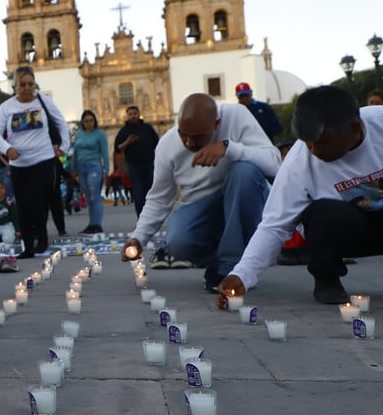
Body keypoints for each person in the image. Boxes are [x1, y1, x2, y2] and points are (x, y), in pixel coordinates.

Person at [217, 86, 383, 306]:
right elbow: (274, 225)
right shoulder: (299, 161)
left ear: (355, 128)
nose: (314, 150)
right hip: (347, 232)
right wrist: (241, 275)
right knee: (325, 212)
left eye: (323, 142)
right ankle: (327, 279)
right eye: (308, 141)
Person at [120, 94, 281, 292]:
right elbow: (159, 199)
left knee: (245, 172)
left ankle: (232, 268)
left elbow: (275, 164)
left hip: (244, 201)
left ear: (216, 124)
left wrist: (229, 148)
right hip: (201, 209)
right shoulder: (167, 145)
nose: (188, 143)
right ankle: (219, 262)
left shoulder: (236, 115)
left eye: (197, 137)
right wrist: (139, 238)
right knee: (178, 242)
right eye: (183, 134)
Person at [0, 66, 70, 259]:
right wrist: (7, 148)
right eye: (22, 84)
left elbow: (61, 123)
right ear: (15, 86)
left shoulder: (44, 102)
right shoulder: (6, 107)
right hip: (18, 165)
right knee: (23, 205)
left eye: (30, 84)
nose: (26, 88)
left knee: (35, 200)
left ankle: (41, 239)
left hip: (43, 160)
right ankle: (27, 246)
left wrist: (64, 147)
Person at [114, 105, 160, 217]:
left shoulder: (148, 128)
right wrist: (128, 142)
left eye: (135, 113)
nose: (133, 116)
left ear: (139, 114)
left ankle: (152, 217)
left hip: (149, 164)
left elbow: (158, 144)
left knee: (151, 192)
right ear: (127, 116)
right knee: (138, 193)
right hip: (134, 166)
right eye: (130, 114)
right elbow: (117, 148)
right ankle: (141, 218)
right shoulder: (124, 131)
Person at [71, 109, 110, 233]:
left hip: (94, 166)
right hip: (81, 167)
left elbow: (105, 153)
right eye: (86, 121)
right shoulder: (78, 135)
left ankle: (97, 224)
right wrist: (73, 169)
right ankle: (91, 224)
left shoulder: (100, 134)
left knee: (94, 196)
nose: (89, 123)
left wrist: (106, 171)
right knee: (88, 197)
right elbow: (75, 153)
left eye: (91, 120)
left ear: (95, 121)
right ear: (82, 122)